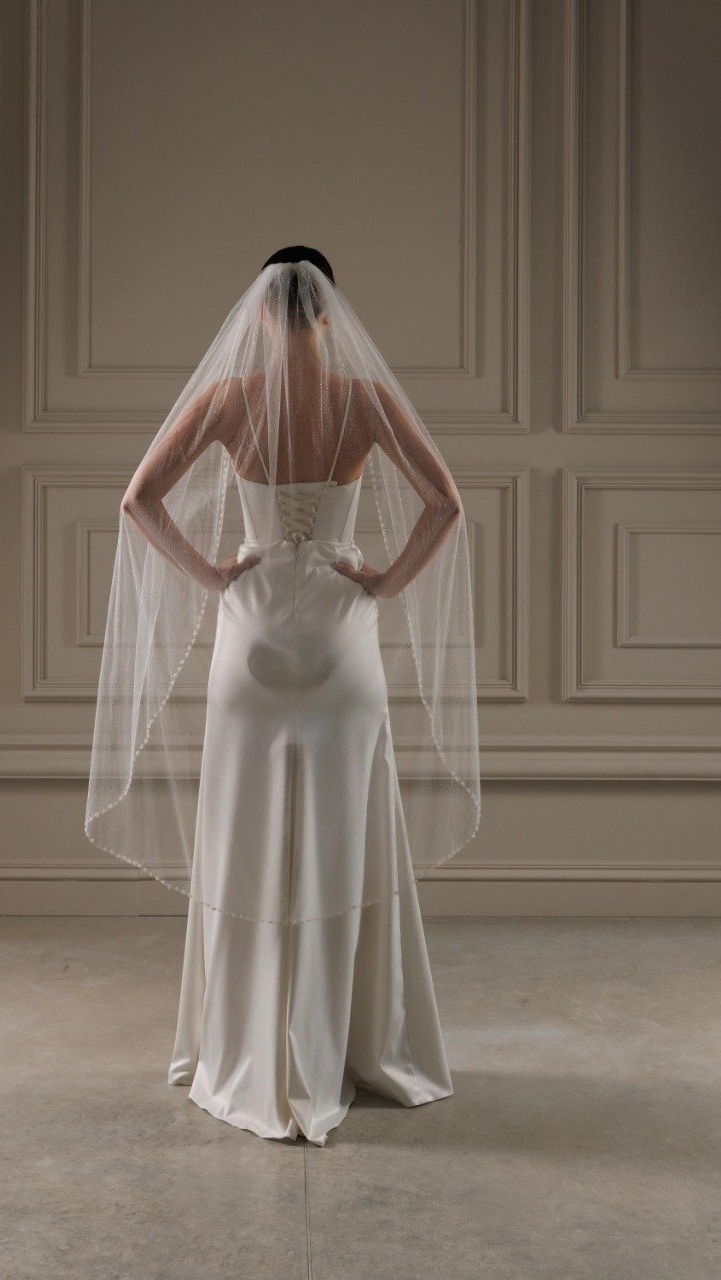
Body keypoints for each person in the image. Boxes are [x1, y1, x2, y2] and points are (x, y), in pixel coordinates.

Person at [86, 247, 480, 1144]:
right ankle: (347, 1048)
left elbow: (139, 499)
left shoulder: (230, 400)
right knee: (344, 839)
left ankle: (245, 1051)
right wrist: (380, 583)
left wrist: (213, 572)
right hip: (339, 640)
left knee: (246, 839)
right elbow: (445, 503)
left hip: (253, 636)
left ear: (261, 314)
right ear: (330, 314)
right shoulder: (362, 401)